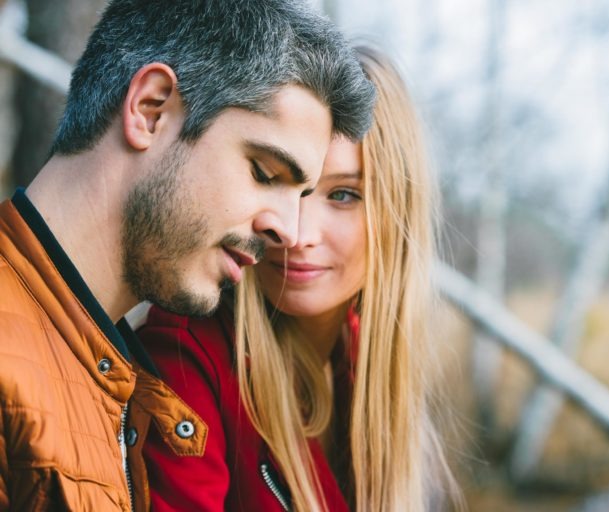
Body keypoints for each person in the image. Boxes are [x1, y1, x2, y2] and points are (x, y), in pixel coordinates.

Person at [0, 0, 375, 509]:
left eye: (304, 195)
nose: (287, 231)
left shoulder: (113, 375)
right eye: (265, 173)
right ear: (150, 109)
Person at [139, 45, 463, 511]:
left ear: (397, 213)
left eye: (344, 195)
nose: (296, 232)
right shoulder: (188, 354)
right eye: (277, 180)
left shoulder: (367, 363)